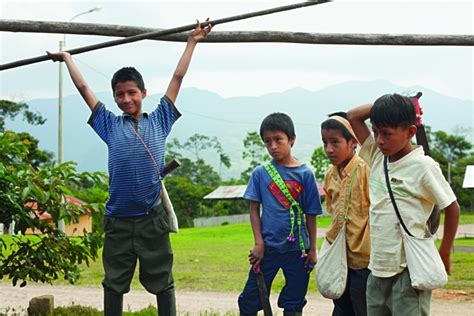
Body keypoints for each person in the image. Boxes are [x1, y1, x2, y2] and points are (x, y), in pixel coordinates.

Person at [48, 20, 212, 316]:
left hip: (152, 220)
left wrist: (192, 42)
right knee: (113, 283)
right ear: (114, 98)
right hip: (118, 222)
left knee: (163, 281)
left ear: (143, 93)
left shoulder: (160, 120)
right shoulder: (109, 125)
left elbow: (177, 76)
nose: (126, 99)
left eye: (132, 93)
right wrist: (68, 59)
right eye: (120, 95)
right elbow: (84, 87)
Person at [347, 94, 460, 316]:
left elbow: (452, 207)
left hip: (409, 270)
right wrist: (394, 103)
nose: (379, 140)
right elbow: (353, 116)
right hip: (378, 269)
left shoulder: (423, 166)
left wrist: (445, 252)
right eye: (376, 132)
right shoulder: (378, 156)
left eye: (387, 134)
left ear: (410, 132)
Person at [238, 112, 323, 316]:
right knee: (249, 300)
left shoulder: (306, 175)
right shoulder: (260, 173)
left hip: (298, 250)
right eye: (268, 142)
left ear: (292, 139)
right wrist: (259, 243)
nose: (273, 146)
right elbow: (253, 209)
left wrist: (312, 249)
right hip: (268, 248)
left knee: (294, 303)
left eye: (278, 139)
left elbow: (311, 215)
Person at [321, 112, 371, 316]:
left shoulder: (366, 170)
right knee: (341, 309)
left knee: (364, 309)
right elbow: (332, 211)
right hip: (339, 260)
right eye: (325, 143)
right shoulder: (330, 174)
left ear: (353, 143)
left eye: (335, 142)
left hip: (365, 262)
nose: (328, 149)